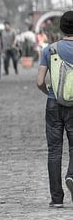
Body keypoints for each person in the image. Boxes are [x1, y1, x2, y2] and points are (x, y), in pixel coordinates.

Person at [37, 11, 73, 208]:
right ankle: (72, 176)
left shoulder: (50, 50)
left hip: (53, 103)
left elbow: (40, 81)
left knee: (54, 150)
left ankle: (56, 198)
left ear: (61, 28)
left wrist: (50, 93)